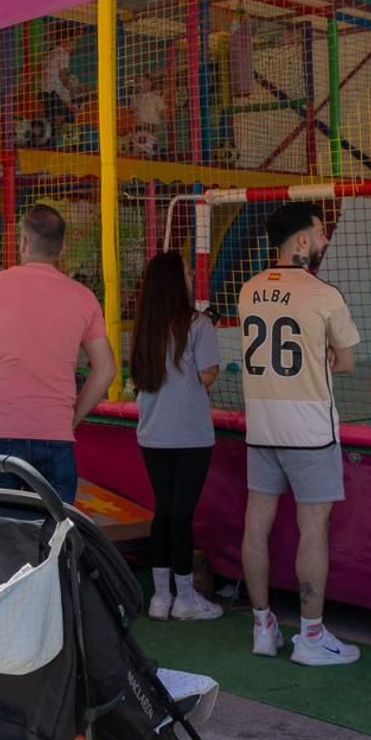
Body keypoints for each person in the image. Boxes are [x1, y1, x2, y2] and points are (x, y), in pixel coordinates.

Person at [237, 202, 362, 667]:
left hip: (262, 426)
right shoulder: (323, 294)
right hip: (309, 430)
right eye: (321, 232)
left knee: (256, 525)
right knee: (314, 531)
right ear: (303, 240)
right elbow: (346, 362)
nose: (325, 240)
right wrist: (325, 353)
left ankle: (262, 627)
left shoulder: (249, 290)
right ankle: (310, 636)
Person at [0, 204, 116, 505]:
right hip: (55, 434)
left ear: (23, 241)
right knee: (49, 541)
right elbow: (105, 370)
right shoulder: (84, 298)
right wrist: (72, 418)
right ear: (62, 246)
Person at [132, 251, 223, 621]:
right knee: (182, 515)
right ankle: (184, 597)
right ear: (175, 281)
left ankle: (159, 597)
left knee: (164, 512)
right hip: (190, 435)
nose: (190, 275)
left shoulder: (145, 329)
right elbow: (208, 375)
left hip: (153, 434)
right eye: (186, 271)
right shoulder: (198, 324)